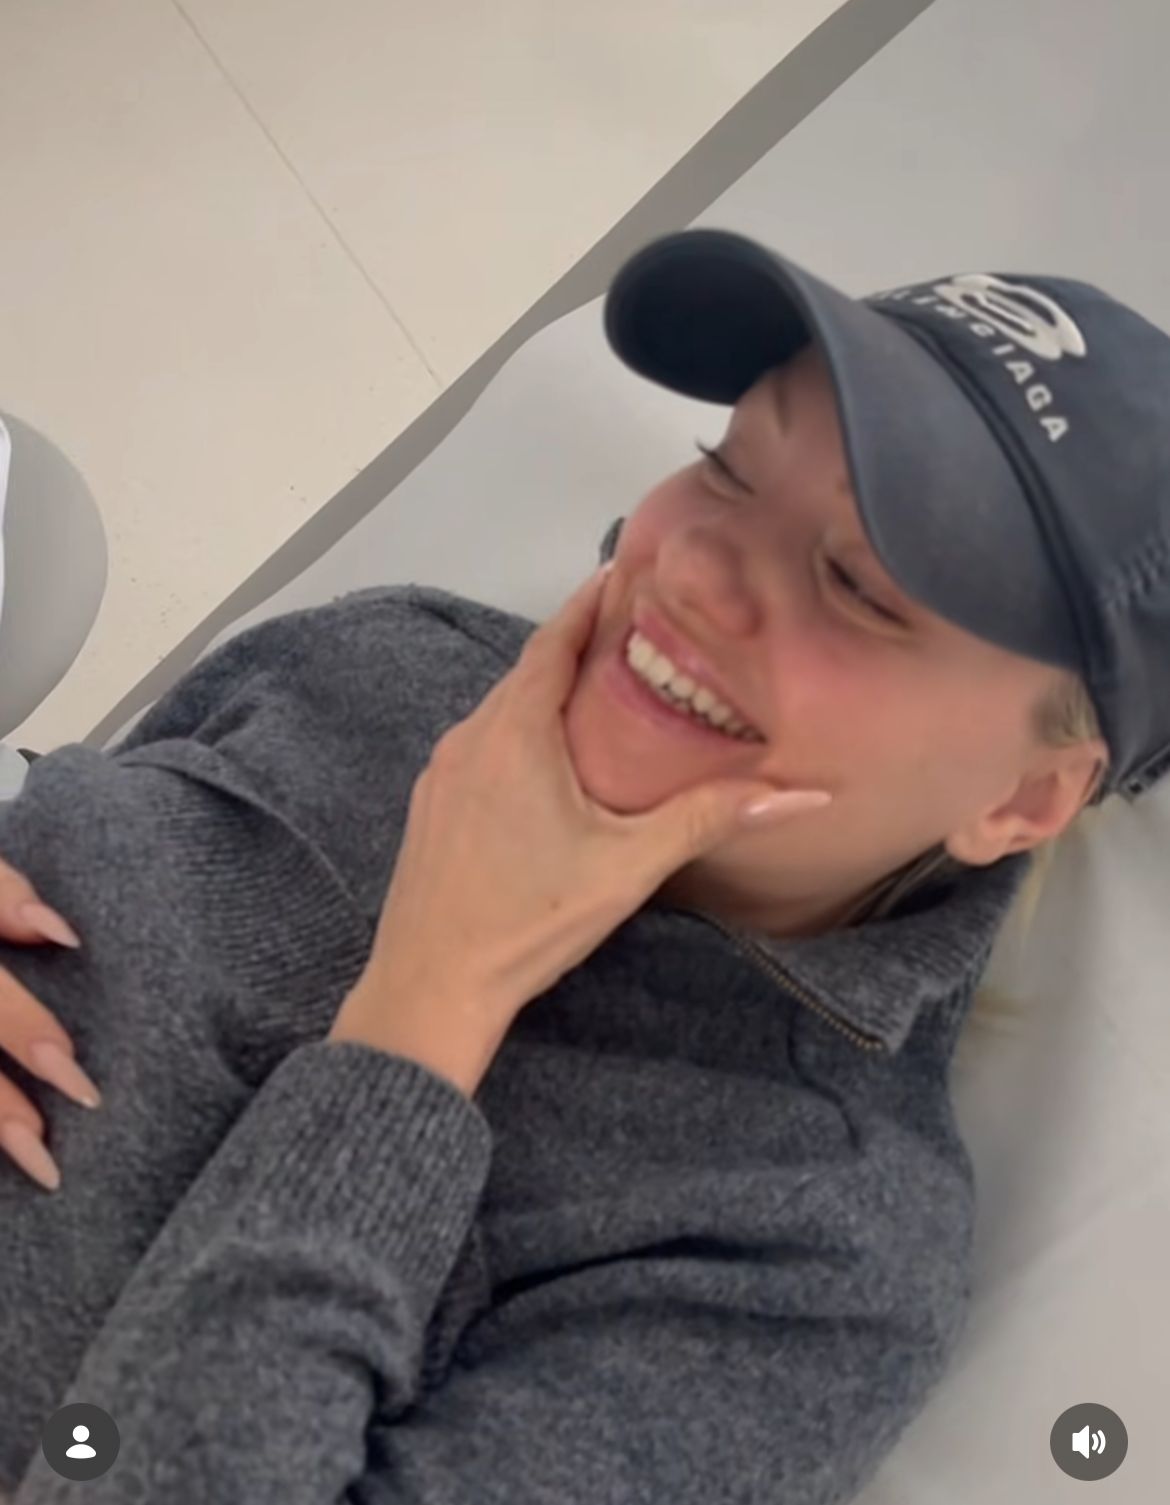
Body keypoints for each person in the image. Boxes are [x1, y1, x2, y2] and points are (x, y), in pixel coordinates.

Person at [1, 228, 1168, 1503]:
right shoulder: (392, 657)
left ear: (1021, 798)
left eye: (856, 583)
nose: (694, 565)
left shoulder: (795, 1262)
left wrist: (425, 1009)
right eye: (726, 467)